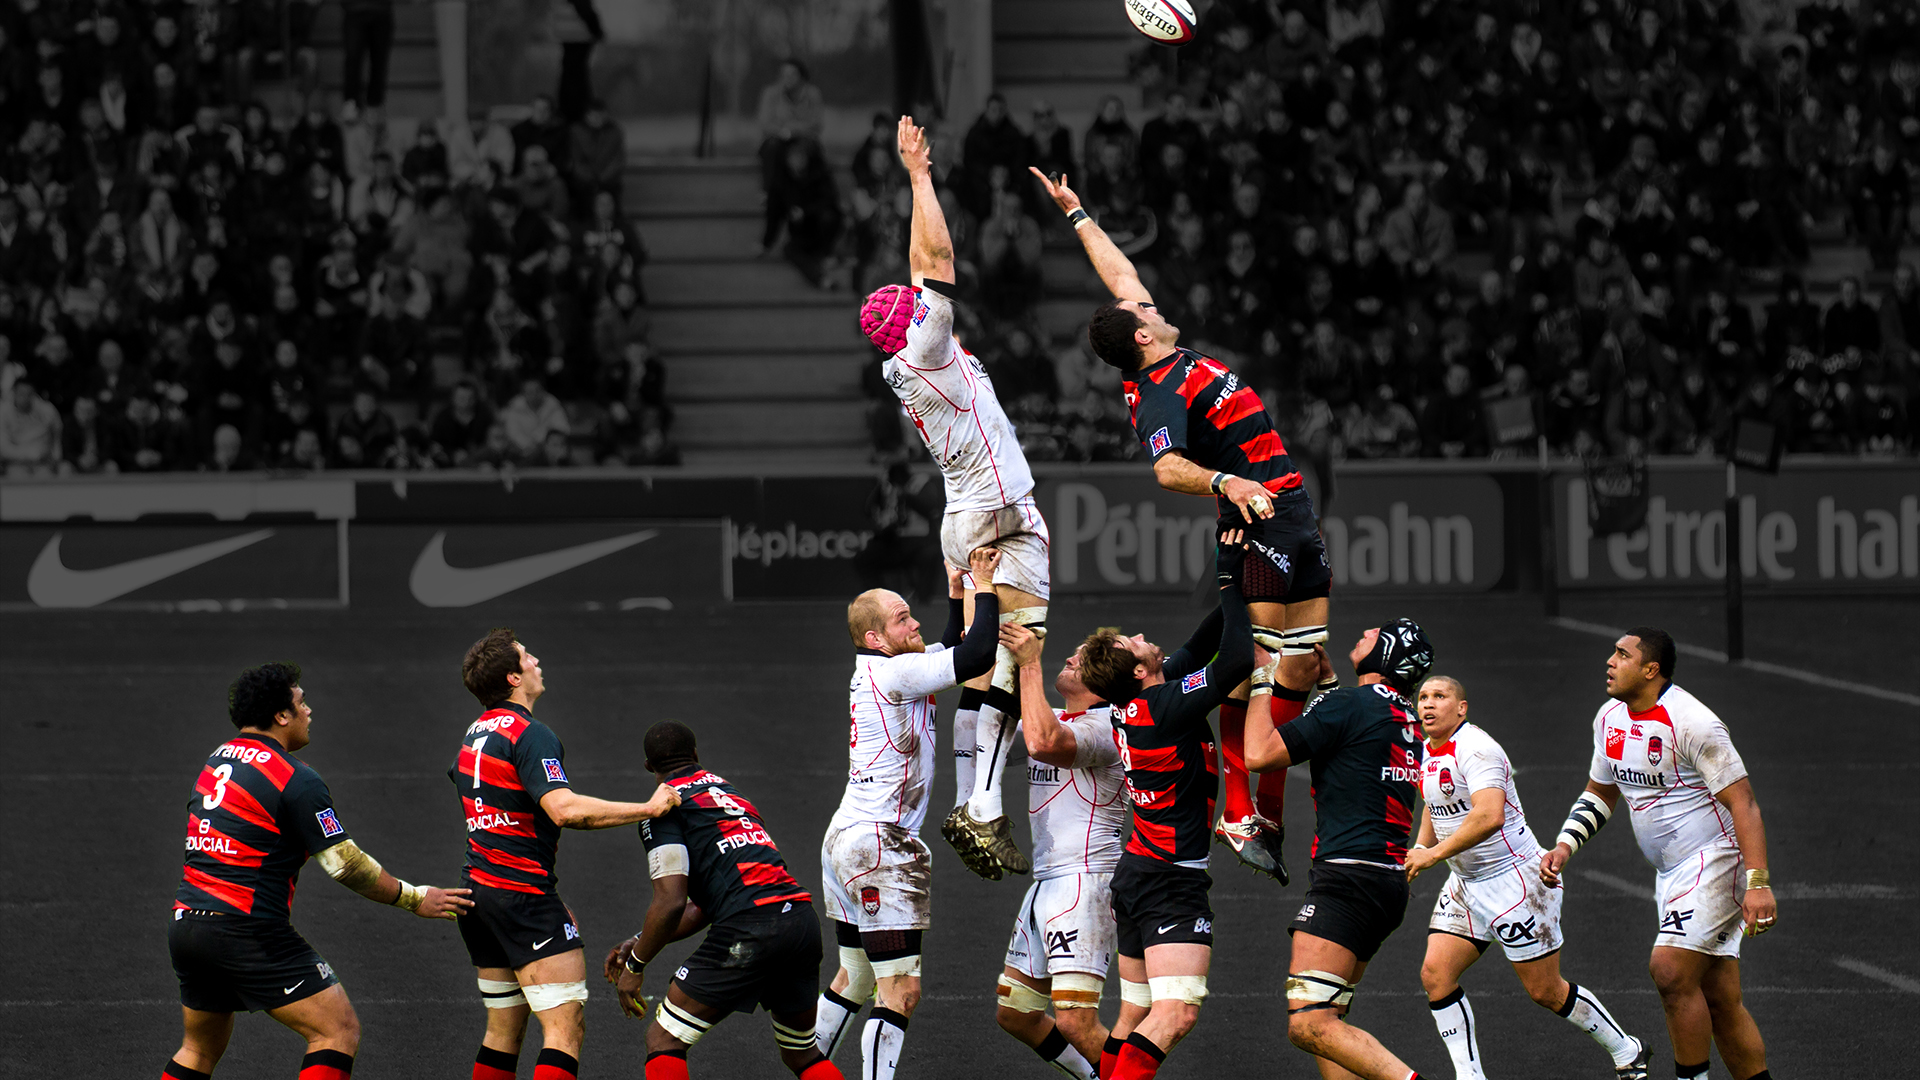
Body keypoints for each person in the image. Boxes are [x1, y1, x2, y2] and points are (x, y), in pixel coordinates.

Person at [1034, 167, 1331, 884]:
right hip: (1256, 518)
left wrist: (1077, 215)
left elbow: (1121, 275)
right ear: (1143, 334)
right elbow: (1167, 470)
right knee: (1258, 667)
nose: (1149, 299)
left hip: (1291, 509)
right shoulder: (1160, 391)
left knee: (1303, 662)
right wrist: (1229, 483)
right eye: (1144, 308)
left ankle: (1260, 814)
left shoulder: (1158, 348)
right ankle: (1245, 810)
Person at [864, 117, 1052, 879]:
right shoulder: (930, 346)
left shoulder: (901, 363)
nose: (923, 304)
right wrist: (919, 175)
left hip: (963, 513)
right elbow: (936, 261)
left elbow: (922, 277)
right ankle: (982, 802)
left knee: (980, 669)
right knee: (1015, 650)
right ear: (913, 326)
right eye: (915, 306)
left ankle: (974, 797)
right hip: (997, 513)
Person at [162, 663, 474, 1080]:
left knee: (198, 1049)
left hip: (187, 927)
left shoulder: (216, 761)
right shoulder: (294, 778)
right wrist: (413, 897)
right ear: (281, 715)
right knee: (336, 1031)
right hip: (246, 929)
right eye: (302, 702)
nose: (309, 711)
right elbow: (346, 864)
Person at [1540, 629, 1778, 1080]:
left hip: (1716, 859)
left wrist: (1758, 883)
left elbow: (1744, 803)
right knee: (1720, 1000)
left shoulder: (1693, 722)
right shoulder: (1609, 718)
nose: (1610, 661)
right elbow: (1601, 792)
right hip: (1671, 873)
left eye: (1622, 654)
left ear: (1651, 669)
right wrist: (1565, 845)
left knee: (1669, 970)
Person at [450, 629, 681, 1080]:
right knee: (564, 1030)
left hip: (477, 895)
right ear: (514, 678)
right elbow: (565, 810)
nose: (536, 660)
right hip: (522, 897)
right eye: (526, 656)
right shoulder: (530, 734)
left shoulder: (474, 734)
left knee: (502, 1031)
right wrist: (648, 807)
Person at [814, 548, 1005, 1080]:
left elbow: (949, 645)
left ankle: (807, 1070)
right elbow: (975, 656)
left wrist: (957, 593)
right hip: (881, 846)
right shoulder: (896, 674)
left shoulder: (885, 667)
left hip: (844, 838)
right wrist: (986, 584)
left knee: (855, 977)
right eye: (902, 619)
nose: (914, 623)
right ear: (875, 637)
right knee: (899, 991)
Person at [1068, 535, 1253, 1080]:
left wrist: (1244, 579)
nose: (1144, 637)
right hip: (1169, 880)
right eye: (1135, 642)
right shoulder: (1163, 707)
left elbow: (1202, 642)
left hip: (1139, 872)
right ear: (1139, 671)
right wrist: (1229, 581)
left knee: (1134, 1013)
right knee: (1175, 1014)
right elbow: (1236, 658)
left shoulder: (1144, 700)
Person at [1406, 677, 1649, 1080]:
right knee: (1436, 975)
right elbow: (1435, 803)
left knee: (1545, 992)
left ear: (1462, 708)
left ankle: (1627, 1049)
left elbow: (1489, 815)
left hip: (1516, 884)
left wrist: (1432, 855)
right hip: (1465, 884)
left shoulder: (1477, 748)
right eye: (1423, 697)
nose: (1428, 704)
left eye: (1440, 697)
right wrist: (1419, 848)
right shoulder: (1425, 750)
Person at [1240, 620, 1435, 1080]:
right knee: (1328, 1018)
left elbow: (1259, 754)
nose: (1365, 630)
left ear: (1387, 653)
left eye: (1377, 634)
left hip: (1349, 881)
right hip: (1384, 882)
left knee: (1309, 1023)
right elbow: (1356, 743)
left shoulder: (1351, 705)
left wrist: (1261, 679)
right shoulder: (1401, 712)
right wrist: (1328, 686)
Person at [605, 721, 844, 1080]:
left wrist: (635, 967)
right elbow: (703, 906)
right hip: (800, 922)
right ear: (695, 754)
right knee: (803, 1054)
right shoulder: (732, 795)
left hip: (750, 929)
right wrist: (640, 939)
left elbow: (671, 902)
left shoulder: (663, 809)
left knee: (664, 1040)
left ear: (648, 766)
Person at [992, 623, 1131, 1080]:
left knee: (1076, 1021)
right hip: (1047, 884)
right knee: (1016, 1012)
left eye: (1082, 658)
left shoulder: (1106, 728)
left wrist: (1030, 663)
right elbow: (989, 735)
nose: (1070, 658)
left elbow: (1045, 743)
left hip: (1085, 882)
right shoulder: (1053, 716)